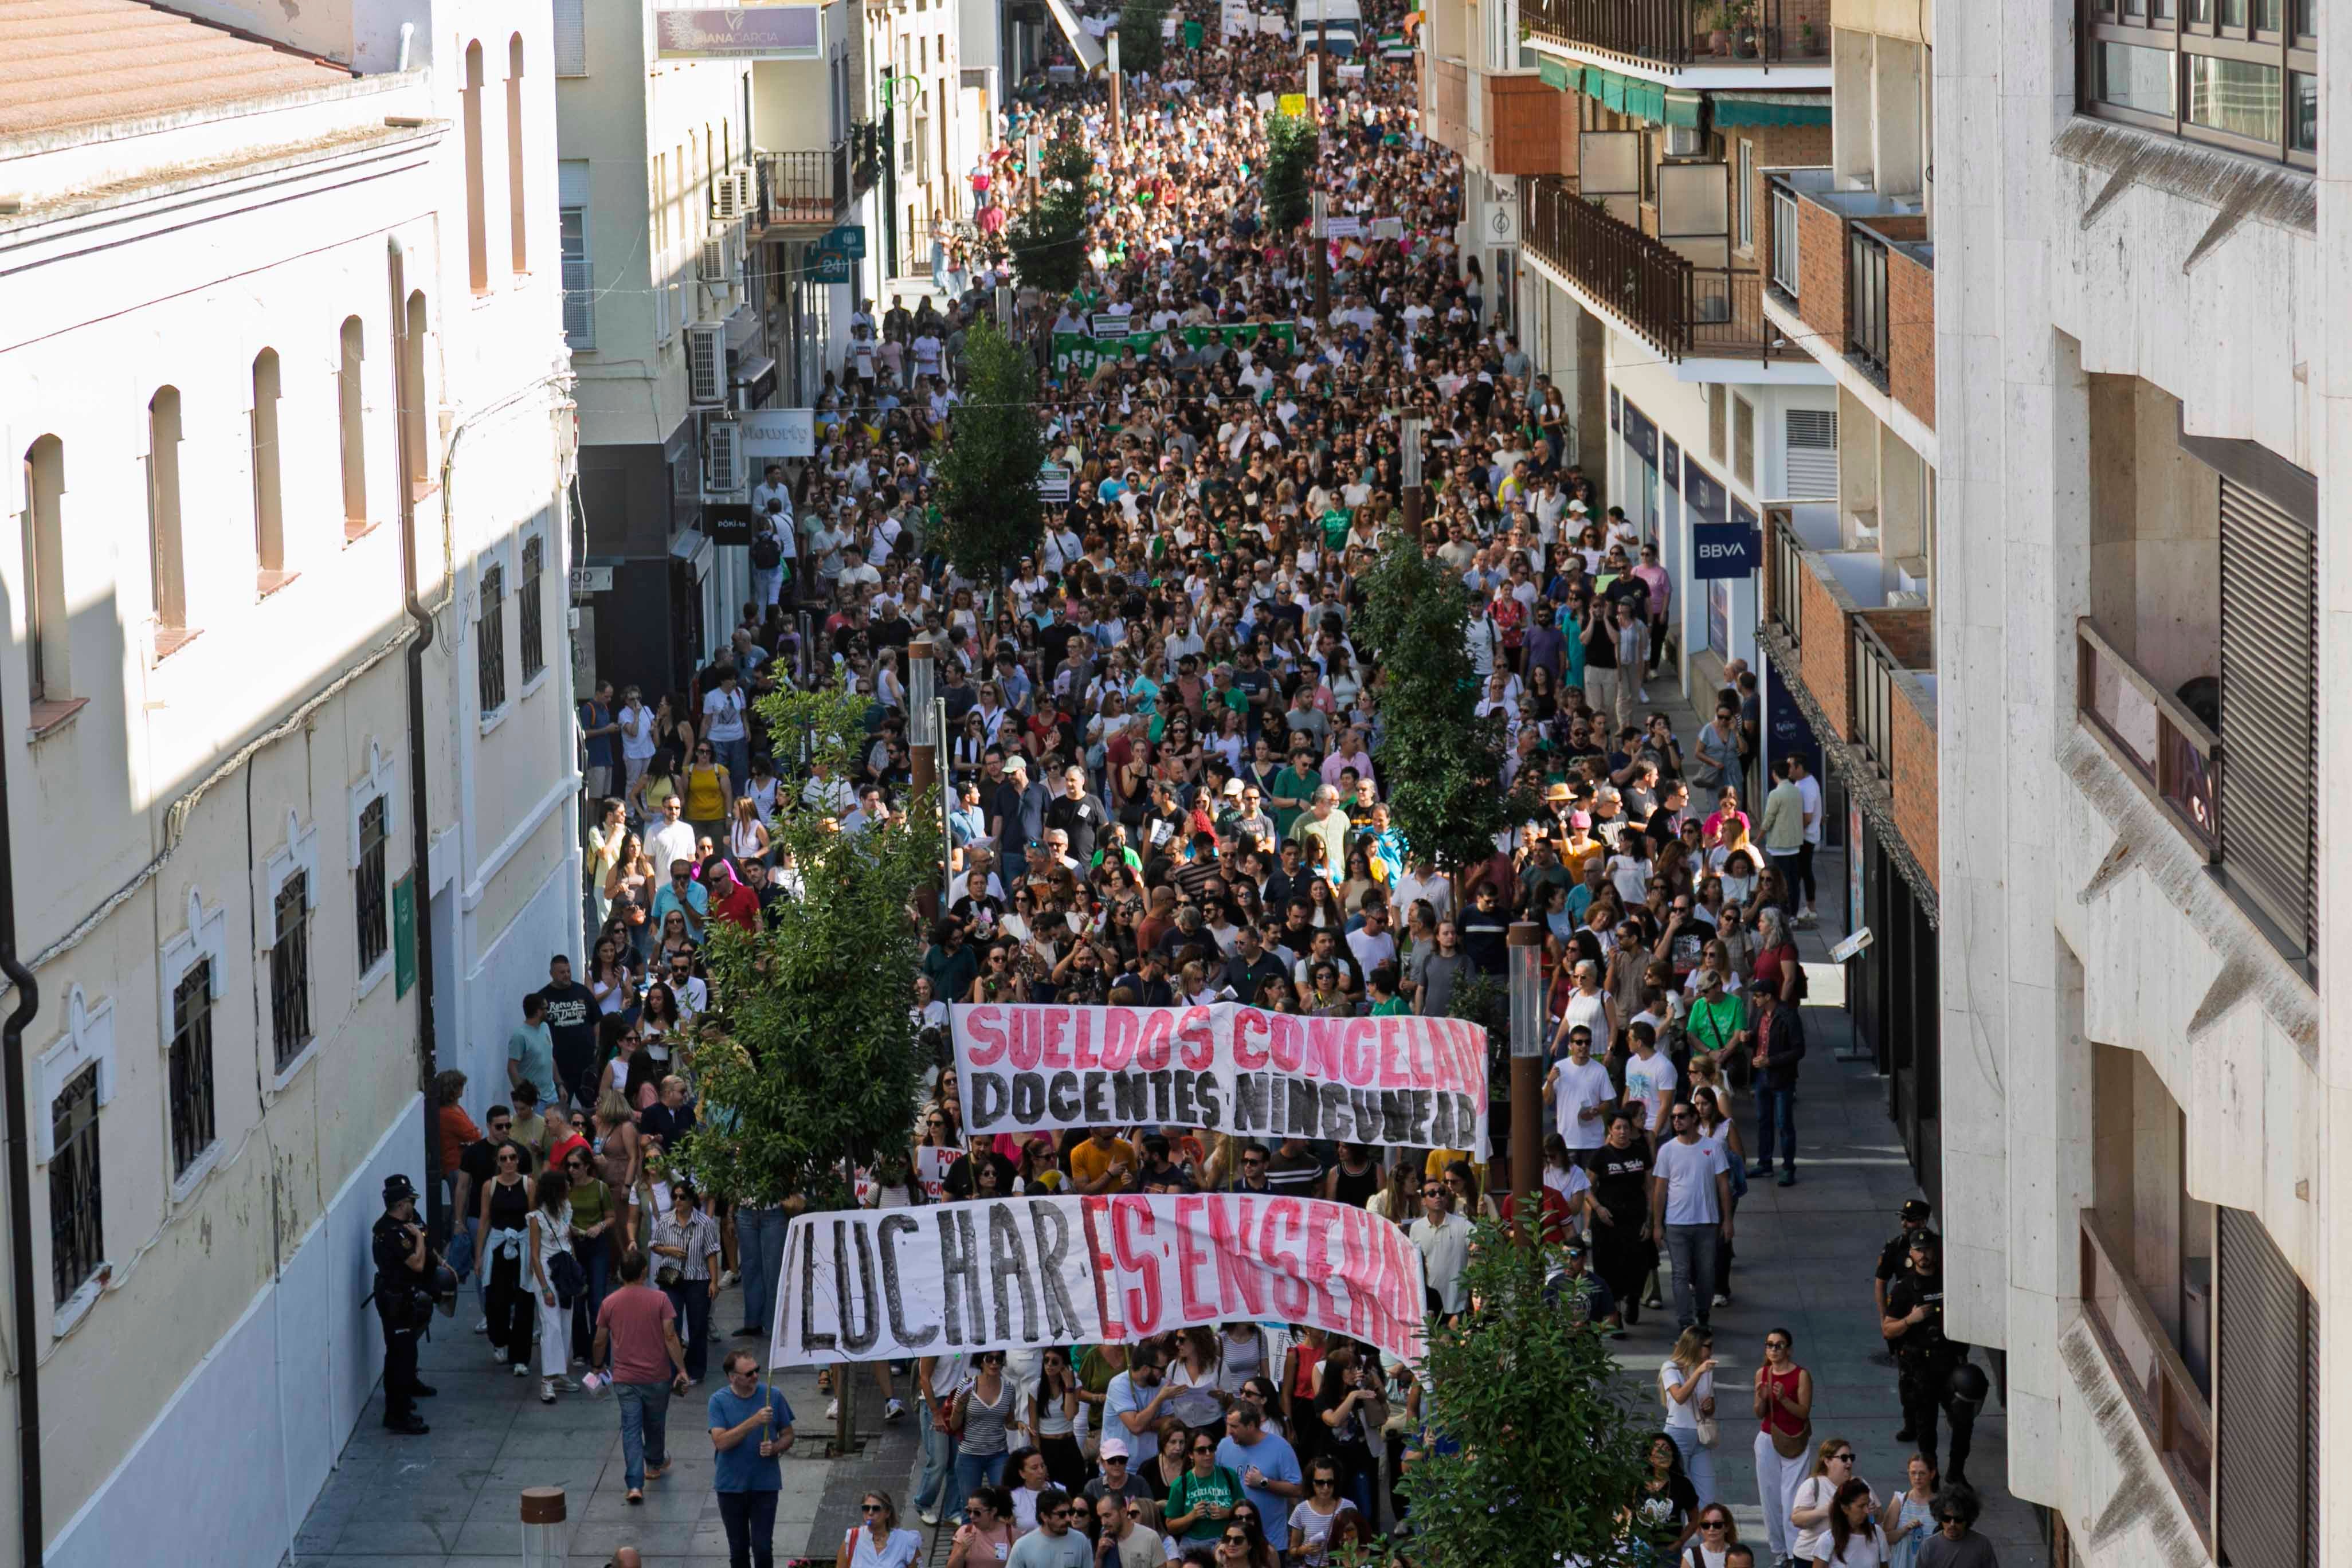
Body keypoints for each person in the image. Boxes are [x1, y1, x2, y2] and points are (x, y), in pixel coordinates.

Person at [592, 1248, 694, 1506]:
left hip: (625, 1378)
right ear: (644, 1272)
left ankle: (635, 1485)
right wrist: (681, 1369)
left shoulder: (609, 1303)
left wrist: (597, 1366)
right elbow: (671, 1336)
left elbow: (600, 1340)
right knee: (655, 1425)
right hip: (657, 1376)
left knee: (630, 1430)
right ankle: (655, 1463)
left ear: (620, 1274)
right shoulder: (660, 1300)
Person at [1882, 1232, 1978, 1485]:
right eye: (1918, 1250)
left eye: (1927, 1249)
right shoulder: (1904, 1289)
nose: (1924, 1255)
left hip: (1950, 1365)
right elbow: (1888, 1329)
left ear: (1935, 1251)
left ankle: (1956, 1472)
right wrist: (1909, 1320)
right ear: (1911, 1254)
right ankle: (1931, 1479)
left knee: (1963, 1420)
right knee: (1926, 1429)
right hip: (1921, 1368)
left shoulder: (1950, 1283)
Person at [1649, 1101, 1732, 1331]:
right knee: (1680, 1274)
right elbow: (1660, 1189)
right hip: (1676, 1223)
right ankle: (1686, 1322)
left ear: (1694, 1119)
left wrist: (1727, 1220)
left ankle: (1703, 1312)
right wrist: (1657, 1224)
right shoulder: (1667, 1150)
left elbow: (1723, 1185)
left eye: (1682, 1116)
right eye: (1674, 1117)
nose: (1676, 1121)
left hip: (1707, 1222)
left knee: (1706, 1272)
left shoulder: (1713, 1147)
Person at [709, 1350, 797, 1568]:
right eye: (749, 1374)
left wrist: (776, 1447)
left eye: (757, 1370)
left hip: (764, 1485)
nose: (756, 1376)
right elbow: (721, 1442)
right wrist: (755, 1421)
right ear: (733, 1377)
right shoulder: (718, 1401)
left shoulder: (773, 1395)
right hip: (731, 1487)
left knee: (763, 1547)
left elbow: (789, 1434)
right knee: (738, 1549)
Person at [370, 1174, 437, 1434]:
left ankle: (403, 1403)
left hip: (403, 1298)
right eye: (410, 1200)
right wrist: (419, 1239)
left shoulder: (397, 1226)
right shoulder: (391, 1232)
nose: (413, 1205)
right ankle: (396, 1415)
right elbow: (417, 1264)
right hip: (394, 1300)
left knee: (404, 1355)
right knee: (399, 1357)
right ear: (400, 1204)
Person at [1753, 1327, 1815, 1567]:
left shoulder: (1801, 1375)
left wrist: (1783, 1399)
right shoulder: (1762, 1373)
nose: (1773, 1350)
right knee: (1770, 1499)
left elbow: (1803, 1412)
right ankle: (1780, 1551)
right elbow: (1758, 1413)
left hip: (1794, 1440)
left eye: (1779, 1345)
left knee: (1793, 1499)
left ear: (1788, 1349)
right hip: (1768, 1439)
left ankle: (1794, 1552)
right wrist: (1764, 1398)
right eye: (1769, 1345)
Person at [652, 1179, 724, 1383]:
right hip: (670, 1277)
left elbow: (711, 1253)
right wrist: (668, 1250)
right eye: (675, 1197)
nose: (678, 1201)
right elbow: (654, 1245)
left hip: (697, 1278)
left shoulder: (705, 1223)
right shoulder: (666, 1221)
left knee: (698, 1326)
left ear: (692, 1200)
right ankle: (673, 1369)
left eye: (682, 1197)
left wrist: (714, 1282)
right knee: (670, 1325)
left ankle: (695, 1370)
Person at [527, 1166, 580, 1404]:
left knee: (566, 1323)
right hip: (547, 1274)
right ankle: (547, 1380)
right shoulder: (536, 1219)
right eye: (565, 1184)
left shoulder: (566, 1210)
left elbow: (568, 1241)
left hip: (565, 1272)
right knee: (551, 1325)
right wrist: (545, 1287)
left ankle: (560, 1374)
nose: (569, 1186)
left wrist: (576, 1271)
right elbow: (535, 1256)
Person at [1214, 1404, 1301, 1536]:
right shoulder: (1224, 1446)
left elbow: (1297, 1489)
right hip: (1234, 1539)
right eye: (1228, 1425)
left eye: (1234, 1427)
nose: (1230, 1431)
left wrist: (1264, 1483)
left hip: (1270, 1539)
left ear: (1250, 1426)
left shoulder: (1281, 1448)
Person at [1658, 1327, 1718, 1512]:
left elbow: (1711, 1404)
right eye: (1708, 1346)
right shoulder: (1671, 1368)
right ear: (1695, 1346)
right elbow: (1679, 1397)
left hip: (1701, 1435)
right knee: (1677, 1494)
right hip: (1678, 1434)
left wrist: (1709, 1407)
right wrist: (1698, 1373)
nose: (1711, 1350)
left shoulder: (1706, 1369)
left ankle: (1706, 1536)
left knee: (1707, 1495)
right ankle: (1681, 1538)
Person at [1790, 1440, 1869, 1567]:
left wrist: (1872, 1511)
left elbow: (1879, 1517)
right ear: (1827, 1461)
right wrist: (1826, 1510)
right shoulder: (1813, 1485)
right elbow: (1797, 1519)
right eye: (1844, 1458)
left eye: (1851, 1457)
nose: (1849, 1462)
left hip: (1843, 1556)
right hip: (1810, 1557)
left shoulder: (1858, 1485)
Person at [1874, 1200, 1933, 1361]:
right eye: (1902, 1219)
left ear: (1923, 1222)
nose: (1904, 1224)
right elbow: (1881, 1282)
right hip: (1904, 1314)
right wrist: (1884, 1318)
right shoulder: (1894, 1248)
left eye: (1909, 1220)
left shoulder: (1937, 1245)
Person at [1165, 1431, 1243, 1545]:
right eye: (1201, 1450)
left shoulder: (1229, 1475)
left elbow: (1246, 1513)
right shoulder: (1181, 1484)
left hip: (1227, 1541)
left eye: (1211, 1448)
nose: (1208, 1454)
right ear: (1191, 1455)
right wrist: (1192, 1516)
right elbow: (1170, 1526)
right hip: (1193, 1543)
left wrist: (1228, 1513)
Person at [1914, 1486, 1998, 1568]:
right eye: (1947, 1519)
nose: (1952, 1524)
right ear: (1940, 1518)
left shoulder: (1982, 1544)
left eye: (1958, 1519)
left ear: (1967, 1518)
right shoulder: (1928, 1547)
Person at [1006, 1490, 1091, 1568]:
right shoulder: (1022, 1547)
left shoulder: (1080, 1541)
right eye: (1062, 1515)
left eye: (1070, 1513)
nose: (1068, 1519)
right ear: (1044, 1516)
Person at [1882, 1453, 1940, 1568]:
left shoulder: (1941, 1504)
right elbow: (1885, 1538)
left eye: (1922, 1473)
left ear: (1932, 1474)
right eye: (1913, 1473)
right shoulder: (1900, 1500)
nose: (1917, 1478)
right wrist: (1905, 1529)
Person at [1813, 1478, 1885, 1567]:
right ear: (1845, 1508)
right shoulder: (1827, 1540)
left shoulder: (1877, 1533)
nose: (1867, 1511)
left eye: (1868, 1505)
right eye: (1861, 1506)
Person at [842, 1493, 927, 1568]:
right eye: (866, 1508)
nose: (870, 1513)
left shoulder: (907, 1541)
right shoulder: (852, 1539)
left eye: (876, 1509)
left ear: (888, 1513)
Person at [507, 991, 558, 1107]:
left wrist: (559, 1083)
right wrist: (524, 1096)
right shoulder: (520, 1036)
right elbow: (511, 1067)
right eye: (546, 1008)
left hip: (552, 1096)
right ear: (538, 1012)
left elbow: (549, 1057)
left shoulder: (545, 1027)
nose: (548, 1011)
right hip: (536, 1101)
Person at [951, 1487, 1020, 1568]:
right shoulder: (965, 1532)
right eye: (969, 1511)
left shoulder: (1011, 1534)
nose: (972, 1516)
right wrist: (962, 1551)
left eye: (977, 1512)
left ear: (993, 1511)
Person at [1095, 1493, 1161, 1568]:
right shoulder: (1106, 1535)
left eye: (1107, 1516)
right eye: (1101, 1517)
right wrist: (1099, 1556)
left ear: (1123, 1512)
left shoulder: (1150, 1537)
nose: (1103, 1523)